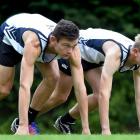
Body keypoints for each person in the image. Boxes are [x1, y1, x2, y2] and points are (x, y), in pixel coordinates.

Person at [11, 28, 140, 135]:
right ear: (135, 52)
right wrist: (105, 131)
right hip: (75, 50)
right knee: (60, 97)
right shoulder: (115, 53)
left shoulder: (136, 58)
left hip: (93, 60)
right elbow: (105, 93)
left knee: (97, 97)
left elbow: (139, 96)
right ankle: (24, 120)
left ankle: (65, 121)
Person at [0, 13, 90, 135]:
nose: (70, 51)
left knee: (53, 77)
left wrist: (86, 129)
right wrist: (22, 127)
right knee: (4, 90)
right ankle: (22, 124)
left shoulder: (72, 49)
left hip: (43, 42)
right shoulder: (34, 44)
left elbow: (80, 88)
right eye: (66, 46)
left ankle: (28, 120)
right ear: (54, 40)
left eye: (73, 46)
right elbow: (25, 85)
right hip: (11, 35)